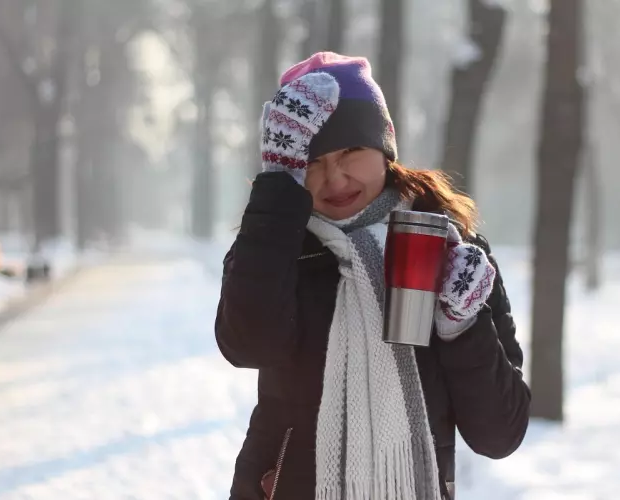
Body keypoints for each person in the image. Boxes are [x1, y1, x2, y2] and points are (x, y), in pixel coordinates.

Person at [215, 51, 530, 500]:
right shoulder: (274, 247)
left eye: (351, 151)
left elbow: (500, 434)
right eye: (312, 161)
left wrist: (463, 325)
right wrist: (278, 191)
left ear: (384, 148)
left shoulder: (454, 253)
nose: (334, 177)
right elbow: (249, 346)